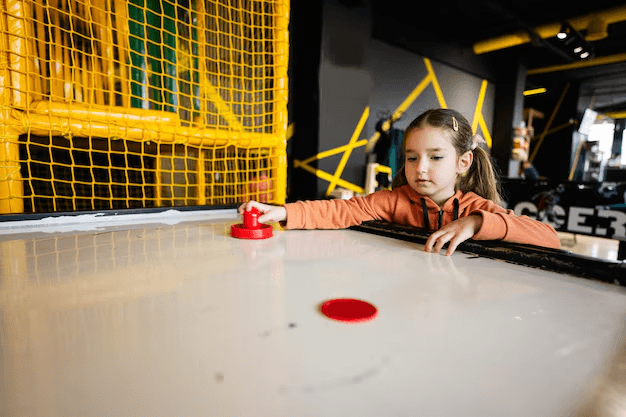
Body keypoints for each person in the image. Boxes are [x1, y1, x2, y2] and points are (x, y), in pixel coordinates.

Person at [239, 108, 561, 255]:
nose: (420, 168)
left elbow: (551, 239)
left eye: (435, 157)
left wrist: (477, 223)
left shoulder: (478, 209)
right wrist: (282, 212)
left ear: (463, 162)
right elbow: (341, 211)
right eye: (411, 157)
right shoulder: (393, 199)